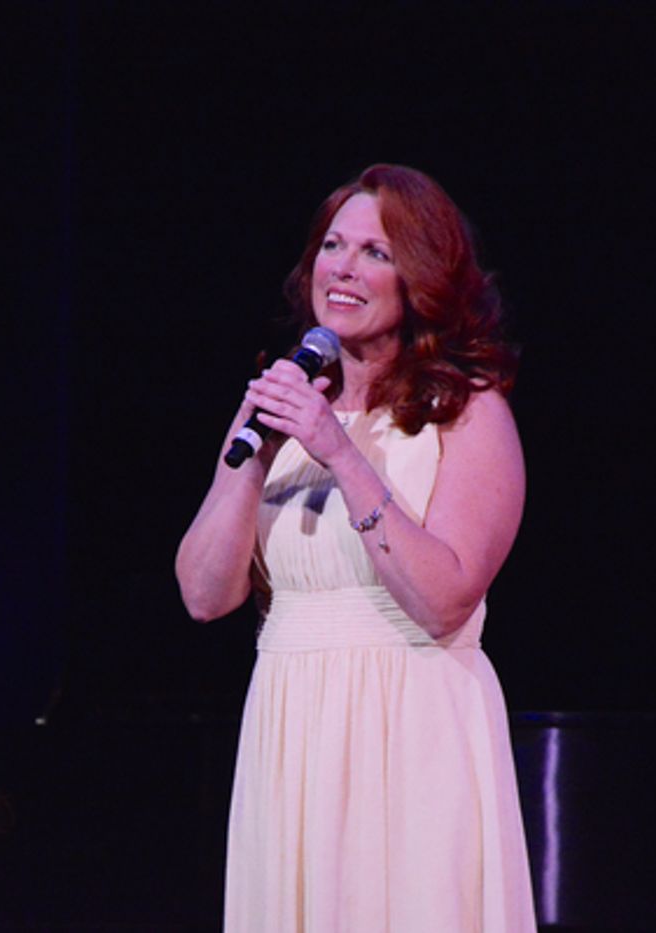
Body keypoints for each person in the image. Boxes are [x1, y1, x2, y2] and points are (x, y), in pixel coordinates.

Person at [177, 165, 536, 932]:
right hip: (293, 736)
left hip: (412, 738)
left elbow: (443, 599)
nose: (343, 266)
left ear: (422, 278)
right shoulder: (286, 405)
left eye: (376, 252)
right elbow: (205, 595)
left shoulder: (467, 415)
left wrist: (339, 450)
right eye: (332, 245)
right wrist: (257, 455)